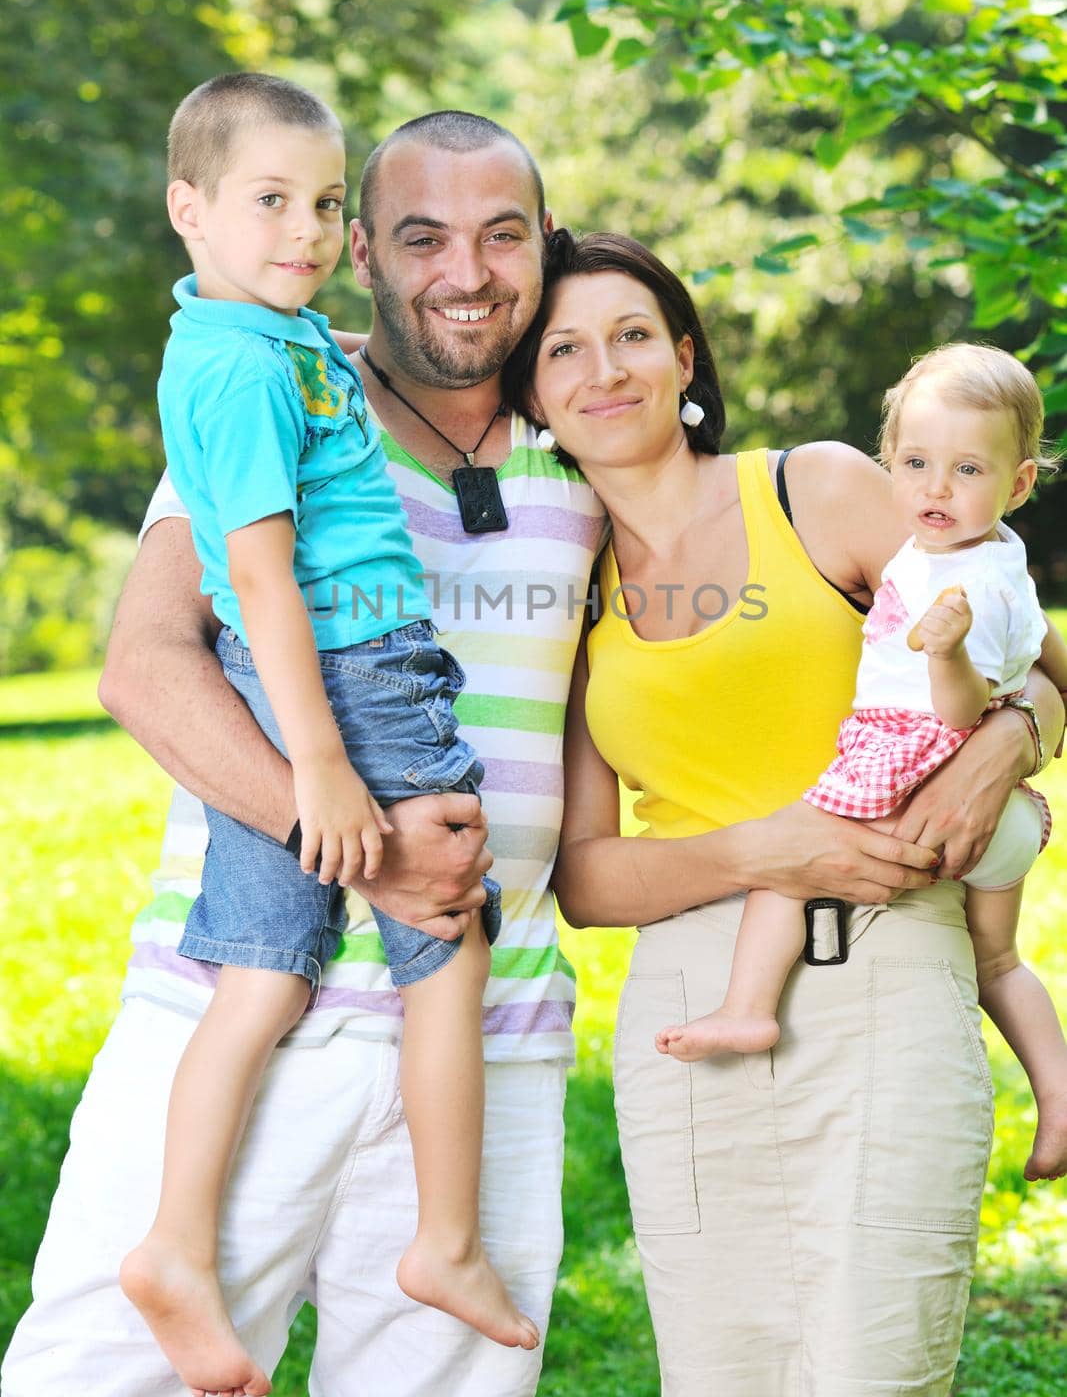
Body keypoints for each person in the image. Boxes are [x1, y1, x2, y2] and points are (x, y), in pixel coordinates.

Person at [3, 124, 1055, 1397]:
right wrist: (345, 843)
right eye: (419, 236)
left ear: (542, 244)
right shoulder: (290, 400)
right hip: (244, 995)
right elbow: (146, 667)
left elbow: (975, 618)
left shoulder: (584, 457)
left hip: (491, 1034)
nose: (466, 269)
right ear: (358, 252)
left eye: (502, 233)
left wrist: (1001, 735)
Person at [504, 228, 1066, 1395]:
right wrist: (767, 848)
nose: (601, 368)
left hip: (887, 975)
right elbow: (588, 879)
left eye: (630, 336)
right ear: (534, 395)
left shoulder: (810, 487)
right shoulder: (565, 582)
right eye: (562, 349)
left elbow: (1043, 663)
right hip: (689, 1012)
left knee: (879, 1368)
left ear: (683, 356)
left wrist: (1007, 739)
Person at [118, 73, 540, 1397]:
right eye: (267, 204)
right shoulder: (242, 365)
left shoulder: (269, 340)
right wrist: (320, 768)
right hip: (352, 673)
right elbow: (256, 580)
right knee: (448, 942)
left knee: (265, 973)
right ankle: (447, 1242)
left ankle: (177, 1247)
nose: (300, 233)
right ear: (187, 209)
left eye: (317, 204)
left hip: (328, 675)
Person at [651, 342, 1067, 1181]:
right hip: (1004, 814)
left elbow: (960, 710)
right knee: (997, 962)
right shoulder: (984, 555)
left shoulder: (963, 588)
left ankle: (746, 1008)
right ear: (887, 464)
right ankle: (1057, 1097)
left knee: (783, 865)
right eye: (914, 463)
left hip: (915, 766)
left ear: (1017, 484)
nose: (935, 488)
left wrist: (943, 651)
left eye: (964, 469)